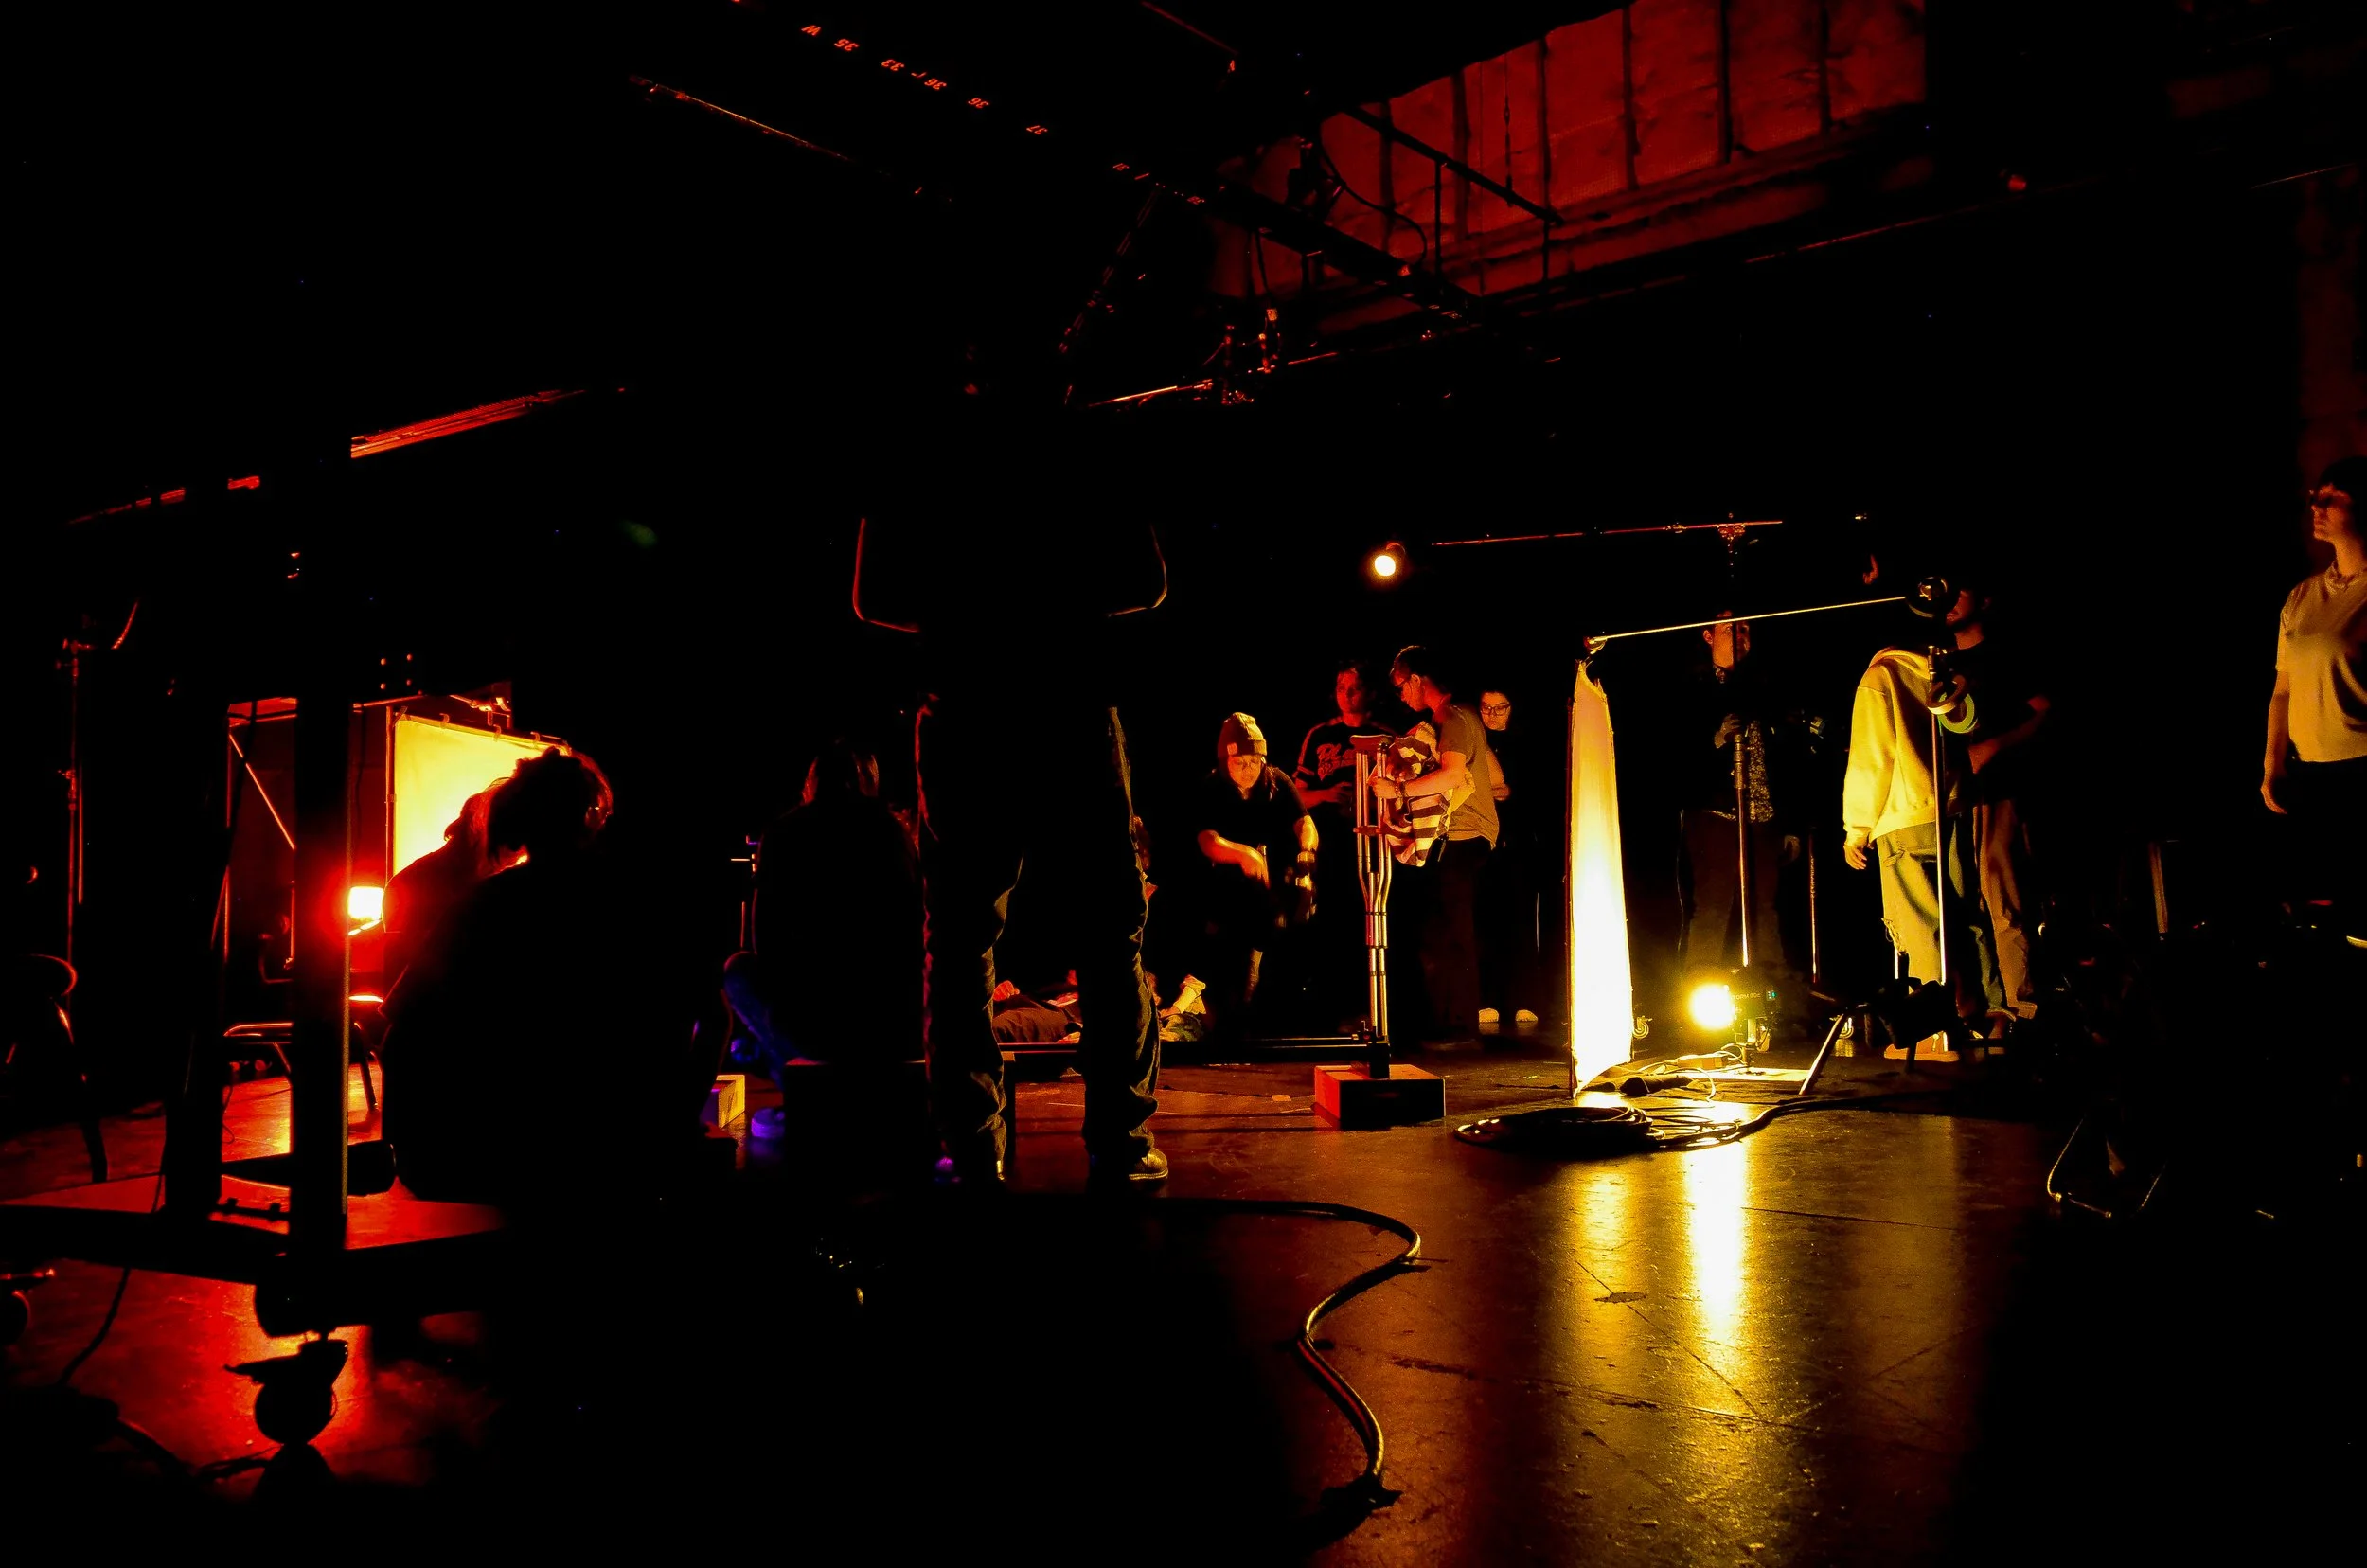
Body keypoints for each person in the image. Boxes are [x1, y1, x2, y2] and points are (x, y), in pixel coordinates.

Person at [853, 442, 1167, 1188]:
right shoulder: (1087, 454)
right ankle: (1121, 1141)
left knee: (960, 941)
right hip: (1072, 709)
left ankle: (972, 1146)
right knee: (1110, 932)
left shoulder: (924, 459)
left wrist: (965, 613)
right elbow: (1147, 583)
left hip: (965, 714)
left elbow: (873, 598)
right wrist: (1058, 601)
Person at [381, 749, 718, 1203]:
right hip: (618, 1152)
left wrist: (415, 1157)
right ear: (592, 816)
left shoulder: (482, 909)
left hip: (499, 1157)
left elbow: (403, 1035)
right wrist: (672, 1121)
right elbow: (714, 1020)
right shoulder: (644, 904)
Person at [722, 739, 922, 1078]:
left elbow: (764, 941)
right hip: (890, 1021)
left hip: (813, 1026)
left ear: (810, 785)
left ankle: (802, 1084)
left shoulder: (782, 832)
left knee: (737, 971)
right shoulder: (893, 831)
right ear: (865, 785)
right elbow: (916, 931)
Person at [1841, 633, 2006, 1042]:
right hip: (1951, 807)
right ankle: (1991, 1013)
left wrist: (1856, 829)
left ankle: (1940, 1029)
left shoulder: (1881, 677)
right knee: (1967, 915)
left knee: (1921, 924)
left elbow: (1872, 758)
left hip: (1904, 812)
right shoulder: (1941, 675)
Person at [1677, 618, 1806, 1012]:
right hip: (1716, 812)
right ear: (1708, 636)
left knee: (1764, 905)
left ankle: (1774, 997)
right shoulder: (1695, 686)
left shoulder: (1766, 686)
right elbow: (1674, 753)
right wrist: (1716, 739)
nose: (1740, 637)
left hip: (1763, 814)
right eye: (1731, 629)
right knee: (1714, 903)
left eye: (1746, 630)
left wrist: (1791, 825)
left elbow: (1788, 757)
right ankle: (1701, 995)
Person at [1942, 578, 2056, 1022]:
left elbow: (2045, 709)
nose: (1950, 603)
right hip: (1956, 795)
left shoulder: (2003, 654)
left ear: (1984, 600)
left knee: (2002, 894)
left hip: (2000, 787)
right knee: (1965, 902)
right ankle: (1990, 1006)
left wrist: (1996, 746)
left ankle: (2025, 1007)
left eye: (1960, 592)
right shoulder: (1940, 661)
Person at [2262, 456, 2367, 935]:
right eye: (2313, 499)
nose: (2316, 508)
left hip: (2361, 768)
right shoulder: (2303, 597)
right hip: (2314, 773)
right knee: (2333, 907)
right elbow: (2283, 689)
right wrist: (2273, 766)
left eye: (2331, 498)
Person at [1372, 646, 1497, 1043]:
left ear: (1415, 679)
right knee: (1440, 931)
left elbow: (1453, 775)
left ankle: (1458, 1024)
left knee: (1451, 932)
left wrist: (1397, 789)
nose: (1400, 696)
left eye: (1400, 687)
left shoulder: (1452, 716)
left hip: (1464, 833)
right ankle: (1447, 1020)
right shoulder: (1451, 718)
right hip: (1459, 833)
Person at [1194, 712, 1317, 1043]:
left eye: (1254, 761)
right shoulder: (1212, 787)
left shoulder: (1277, 781)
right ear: (1225, 761)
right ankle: (1230, 1033)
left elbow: (1304, 821)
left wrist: (1306, 851)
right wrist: (1243, 854)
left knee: (1283, 954)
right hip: (1227, 893)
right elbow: (1207, 840)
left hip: (1274, 889)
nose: (1248, 769)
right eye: (1240, 762)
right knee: (1233, 967)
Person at [1291, 659, 1393, 1028]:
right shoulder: (1320, 735)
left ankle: (1368, 1006)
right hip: (1331, 845)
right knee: (1329, 924)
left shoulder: (1385, 735)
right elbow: (1297, 794)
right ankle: (1328, 1009)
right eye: (1340, 689)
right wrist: (1327, 794)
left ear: (1370, 693)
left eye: (1354, 688)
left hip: (1372, 845)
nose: (1347, 696)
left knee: (1366, 923)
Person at [382, 786, 513, 989]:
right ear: (481, 835)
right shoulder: (411, 887)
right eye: (511, 851)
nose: (509, 863)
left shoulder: (406, 884)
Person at [1473, 687, 1540, 1028]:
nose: (1493, 715)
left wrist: (1510, 790)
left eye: (1500, 708)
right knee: (1484, 921)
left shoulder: (1525, 743)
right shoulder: (1474, 742)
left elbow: (1520, 789)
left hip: (1518, 842)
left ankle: (1523, 998)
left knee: (1520, 921)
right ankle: (1487, 998)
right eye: (1486, 708)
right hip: (1482, 841)